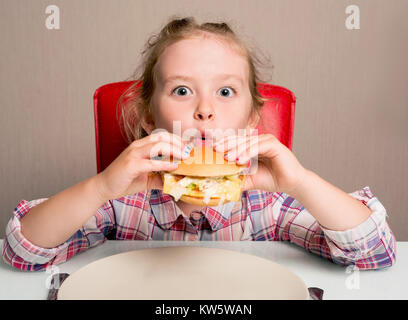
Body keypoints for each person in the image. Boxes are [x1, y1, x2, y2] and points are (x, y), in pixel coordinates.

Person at [2, 17, 396, 272]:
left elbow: (376, 253)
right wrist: (103, 186)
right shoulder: (121, 206)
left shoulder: (270, 205)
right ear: (149, 118)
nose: (205, 110)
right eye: (182, 90)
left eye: (225, 91)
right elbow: (22, 255)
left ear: (252, 118)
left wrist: (301, 182)